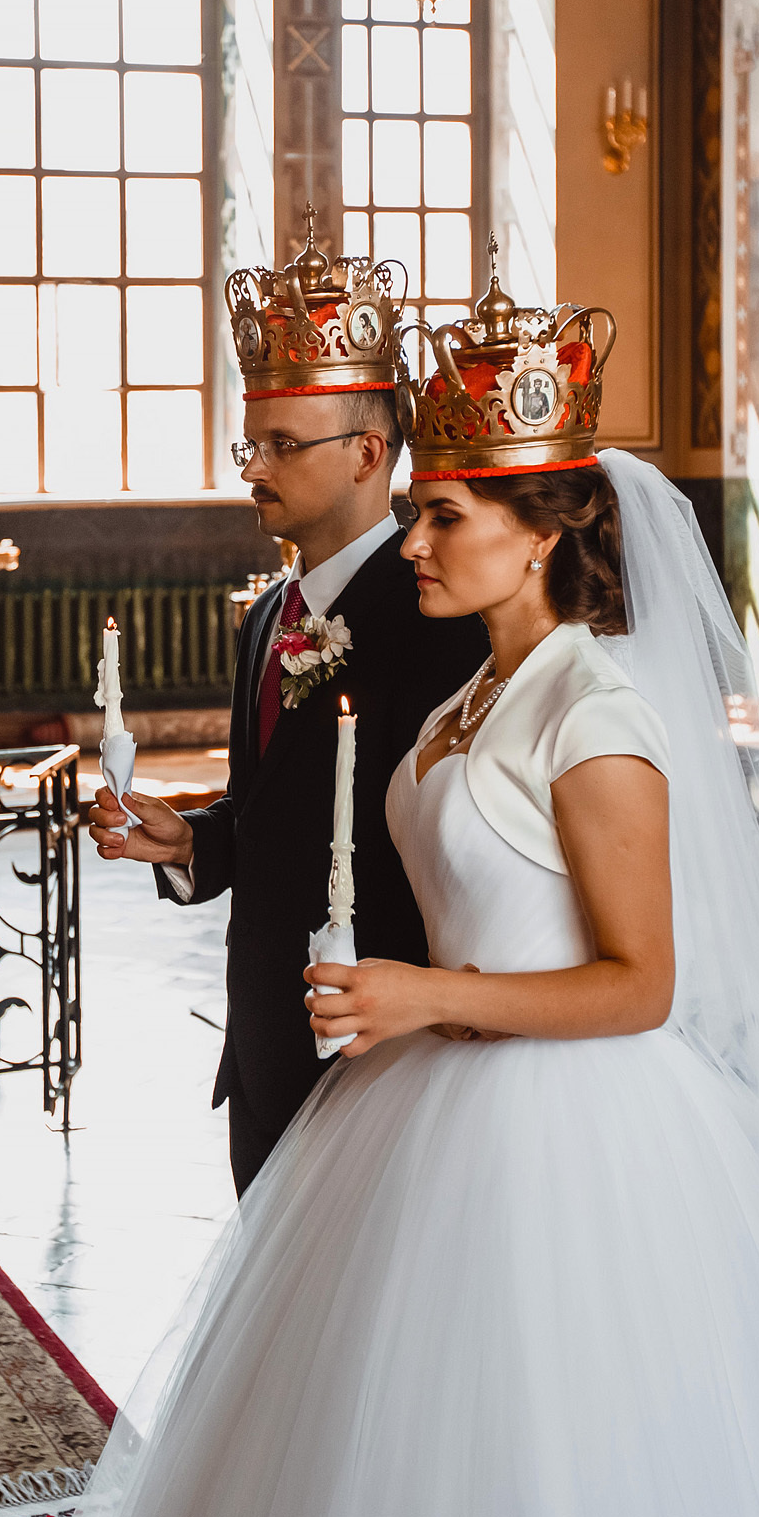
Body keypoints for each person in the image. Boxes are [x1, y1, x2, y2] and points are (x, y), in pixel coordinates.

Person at [64, 275, 759, 1517]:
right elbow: (331, 835)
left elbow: (645, 981)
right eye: (417, 515)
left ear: (537, 533)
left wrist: (424, 993)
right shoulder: (467, 698)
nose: (414, 542)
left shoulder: (596, 713)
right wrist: (216, 858)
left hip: (566, 1126)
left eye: (441, 514)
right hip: (407, 1091)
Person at [87, 219, 486, 1193]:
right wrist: (191, 844)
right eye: (248, 441)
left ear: (366, 452)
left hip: (379, 1049)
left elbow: (453, 847)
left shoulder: (440, 616)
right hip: (266, 1041)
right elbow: (277, 813)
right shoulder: (269, 614)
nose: (251, 467)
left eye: (278, 444)